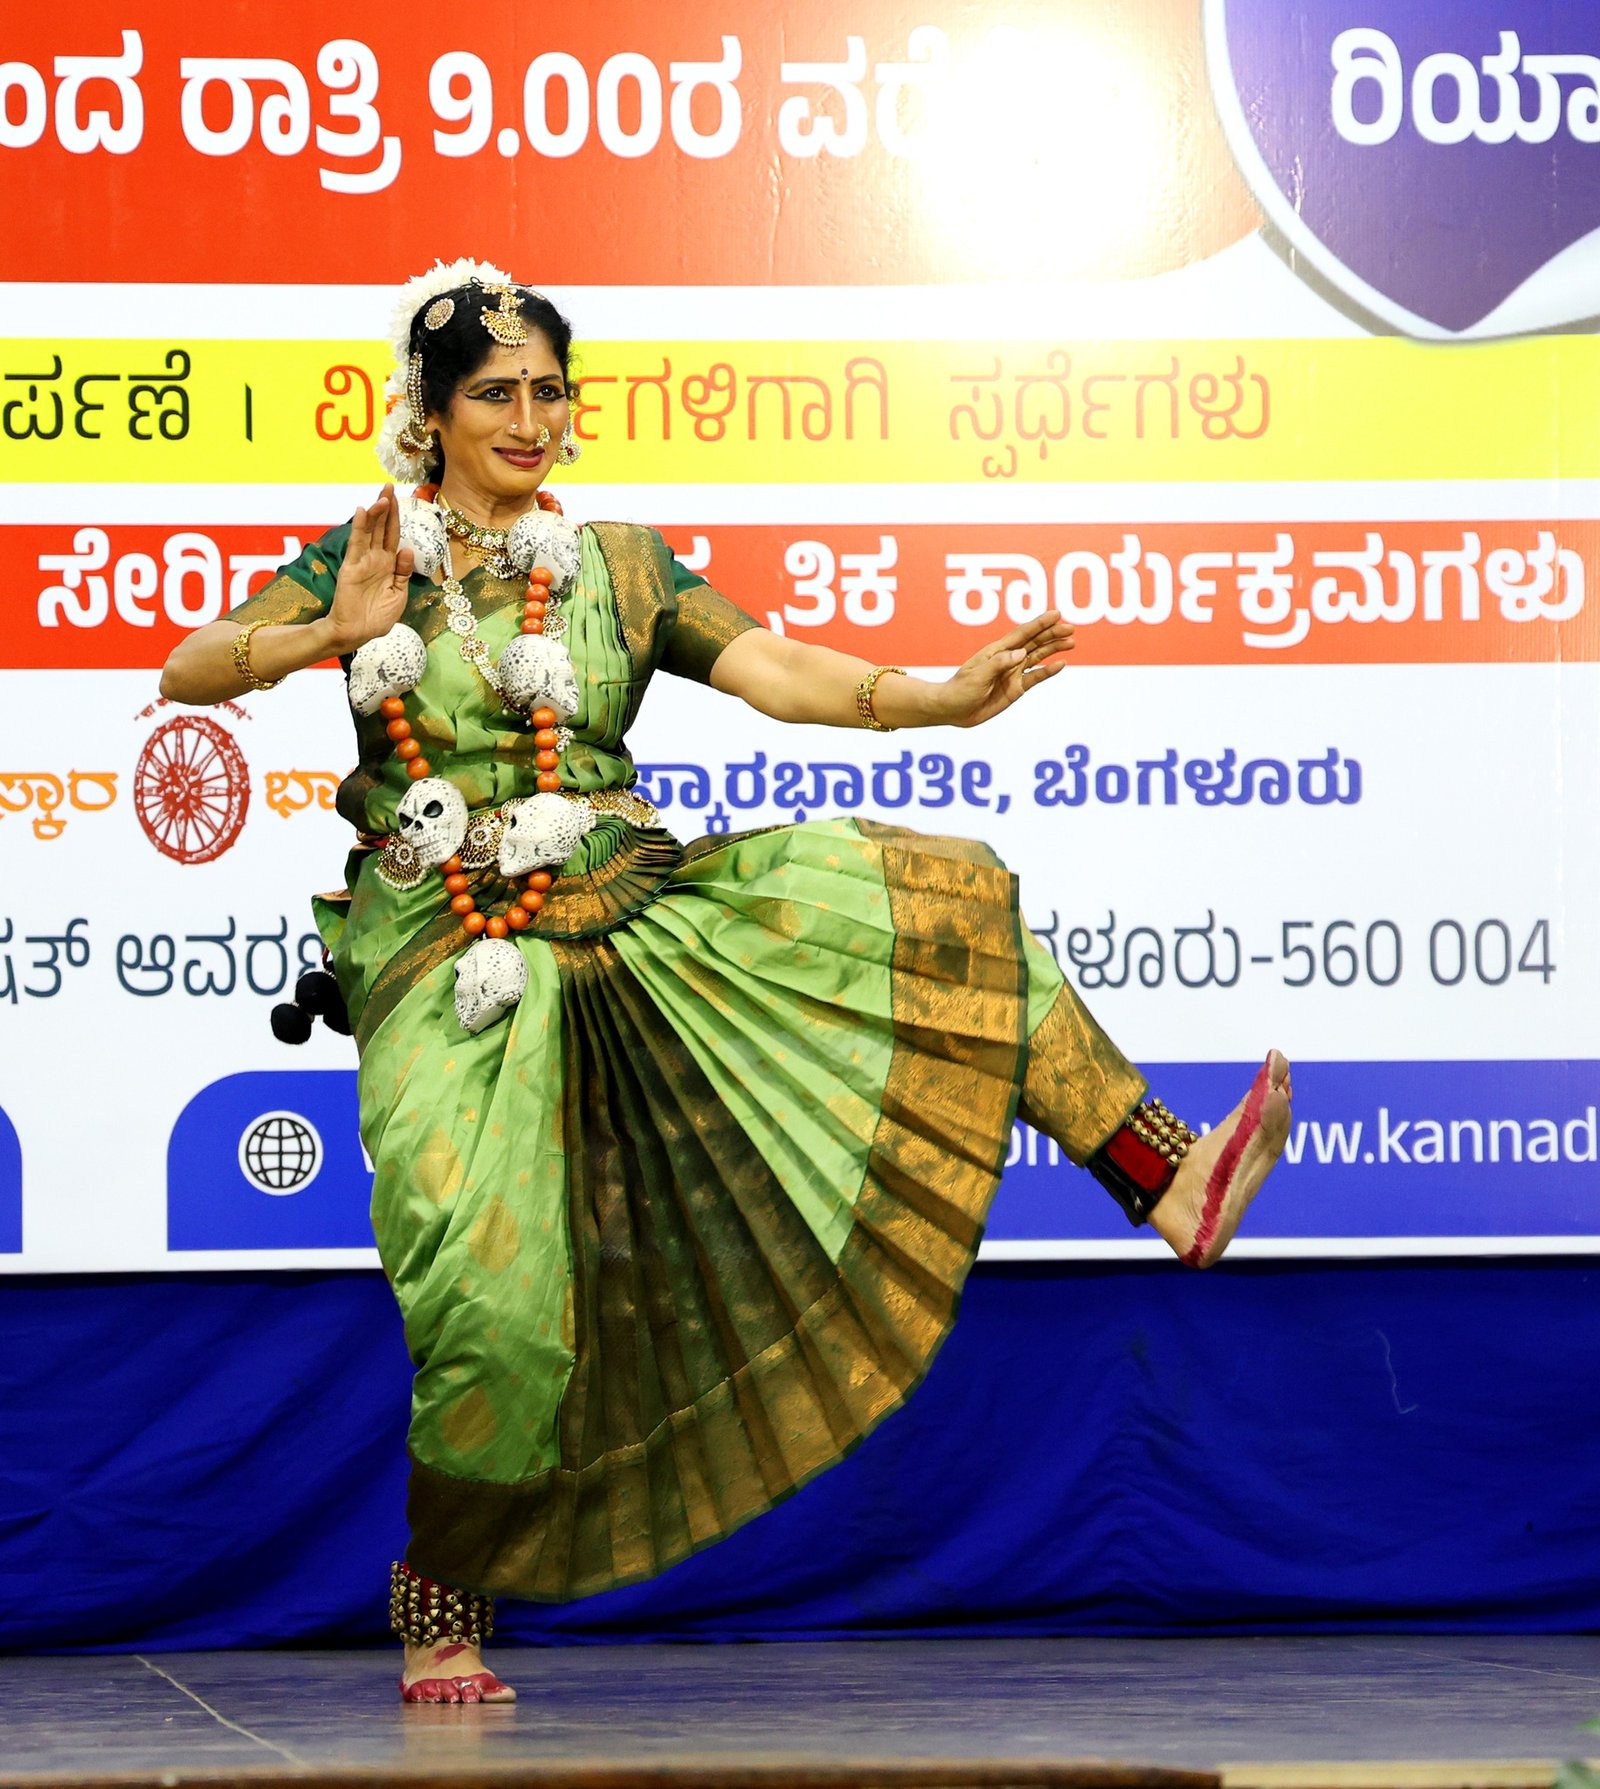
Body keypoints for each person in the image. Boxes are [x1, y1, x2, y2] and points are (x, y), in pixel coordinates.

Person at [160, 260, 1290, 1704]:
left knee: (939, 909)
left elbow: (772, 666)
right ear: (431, 414)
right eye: (495, 393)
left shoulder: (620, 566)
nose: (530, 418)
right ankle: (444, 1589)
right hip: (442, 947)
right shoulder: (368, 558)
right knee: (492, 1300)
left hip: (624, 908)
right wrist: (323, 633)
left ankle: (1165, 1174)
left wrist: (934, 699)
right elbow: (191, 668)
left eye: (549, 390)